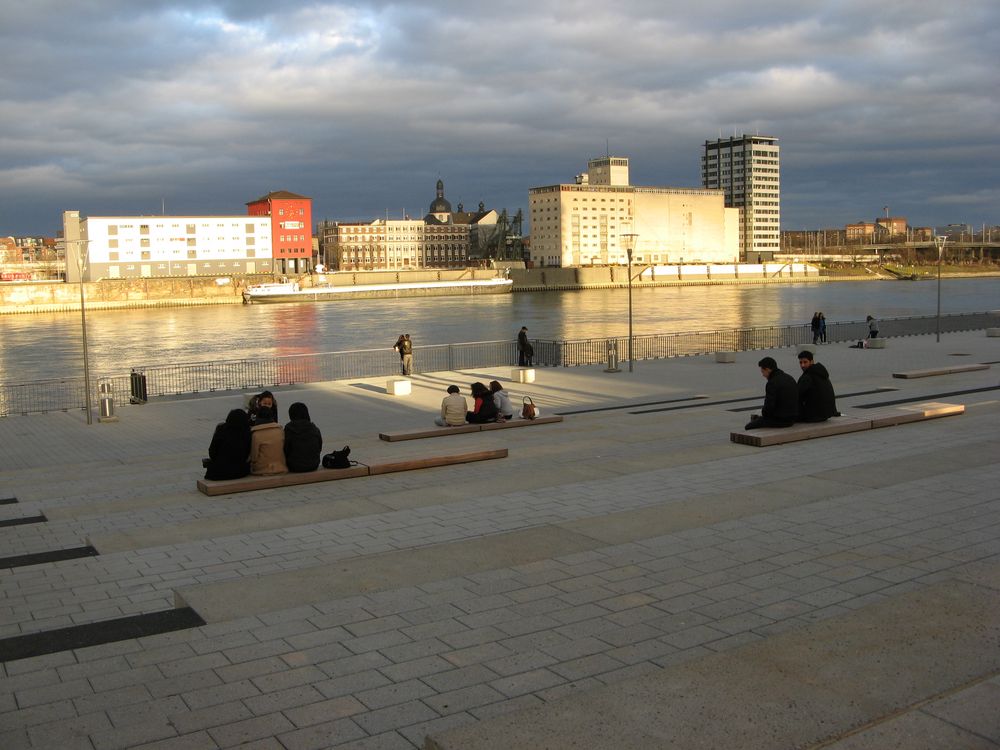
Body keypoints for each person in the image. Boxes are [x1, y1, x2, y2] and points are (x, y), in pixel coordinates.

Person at [744, 356, 798, 430]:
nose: (763, 375)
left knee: (748, 426)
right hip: (792, 418)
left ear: (768, 369)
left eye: (763, 372)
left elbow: (769, 407)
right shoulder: (789, 378)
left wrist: (762, 416)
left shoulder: (772, 383)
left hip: (780, 420)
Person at [204, 408, 251, 480]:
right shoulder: (246, 433)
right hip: (239, 471)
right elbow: (247, 454)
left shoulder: (221, 430)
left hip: (218, 473)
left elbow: (212, 452)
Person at [796, 350, 839, 423]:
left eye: (805, 362)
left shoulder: (807, 376)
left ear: (812, 361)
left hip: (813, 416)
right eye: (800, 362)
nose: (802, 365)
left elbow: (797, 394)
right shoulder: (821, 372)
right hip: (826, 414)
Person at [283, 402, 322, 472]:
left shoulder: (289, 428)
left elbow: (285, 449)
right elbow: (319, 446)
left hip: (294, 466)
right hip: (313, 464)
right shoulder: (314, 428)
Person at [250, 406, 287, 475]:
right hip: (280, 466)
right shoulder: (280, 430)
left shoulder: (256, 434)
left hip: (262, 468)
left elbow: (254, 457)